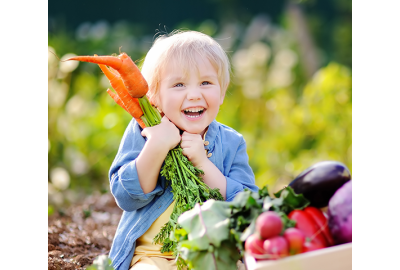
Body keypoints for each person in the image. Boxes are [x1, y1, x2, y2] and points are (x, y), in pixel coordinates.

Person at [108, 30, 259, 270]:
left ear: (222, 91)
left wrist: (203, 164)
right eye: (179, 84)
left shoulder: (231, 142)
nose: (194, 94)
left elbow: (248, 208)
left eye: (206, 83)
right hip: (151, 256)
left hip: (212, 254)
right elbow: (126, 197)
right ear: (154, 96)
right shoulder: (143, 131)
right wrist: (156, 147)